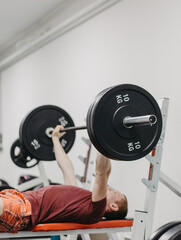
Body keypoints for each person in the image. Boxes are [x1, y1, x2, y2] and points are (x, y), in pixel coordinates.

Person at [0, 125, 128, 233]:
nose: (111, 189)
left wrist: (103, 137)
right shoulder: (81, 201)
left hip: (23, 209)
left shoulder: (96, 210)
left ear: (113, 206)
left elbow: (102, 173)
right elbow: (67, 168)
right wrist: (55, 138)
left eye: (115, 193)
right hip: (18, 200)